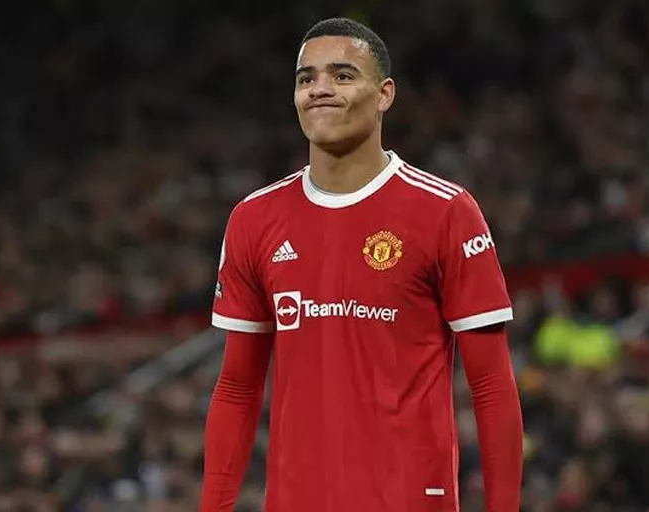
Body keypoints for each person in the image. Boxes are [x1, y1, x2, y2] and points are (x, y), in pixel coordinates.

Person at [200, 17, 523, 512]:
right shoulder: (253, 219)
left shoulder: (445, 211)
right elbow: (237, 389)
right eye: (306, 78)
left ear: (384, 94)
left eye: (342, 75)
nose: (320, 89)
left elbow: (492, 387)